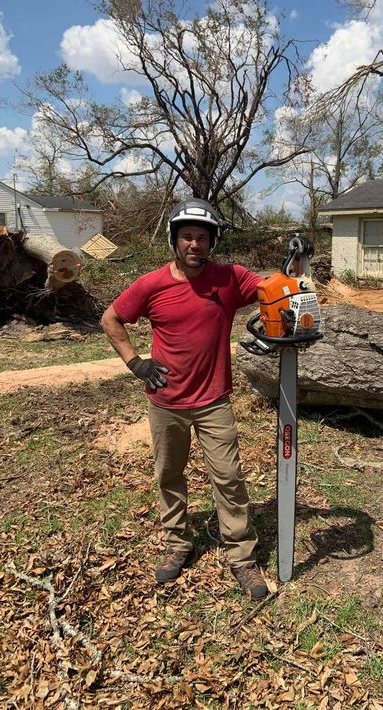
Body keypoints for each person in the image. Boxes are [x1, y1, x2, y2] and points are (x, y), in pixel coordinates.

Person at [101, 198, 268, 601]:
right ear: (175, 240)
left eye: (203, 238)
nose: (195, 244)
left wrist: (297, 266)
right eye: (188, 237)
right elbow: (111, 318)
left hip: (214, 400)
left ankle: (242, 558)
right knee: (169, 476)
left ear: (213, 242)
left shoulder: (228, 279)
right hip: (165, 402)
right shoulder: (151, 284)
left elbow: (273, 289)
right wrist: (135, 363)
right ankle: (178, 544)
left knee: (228, 477)